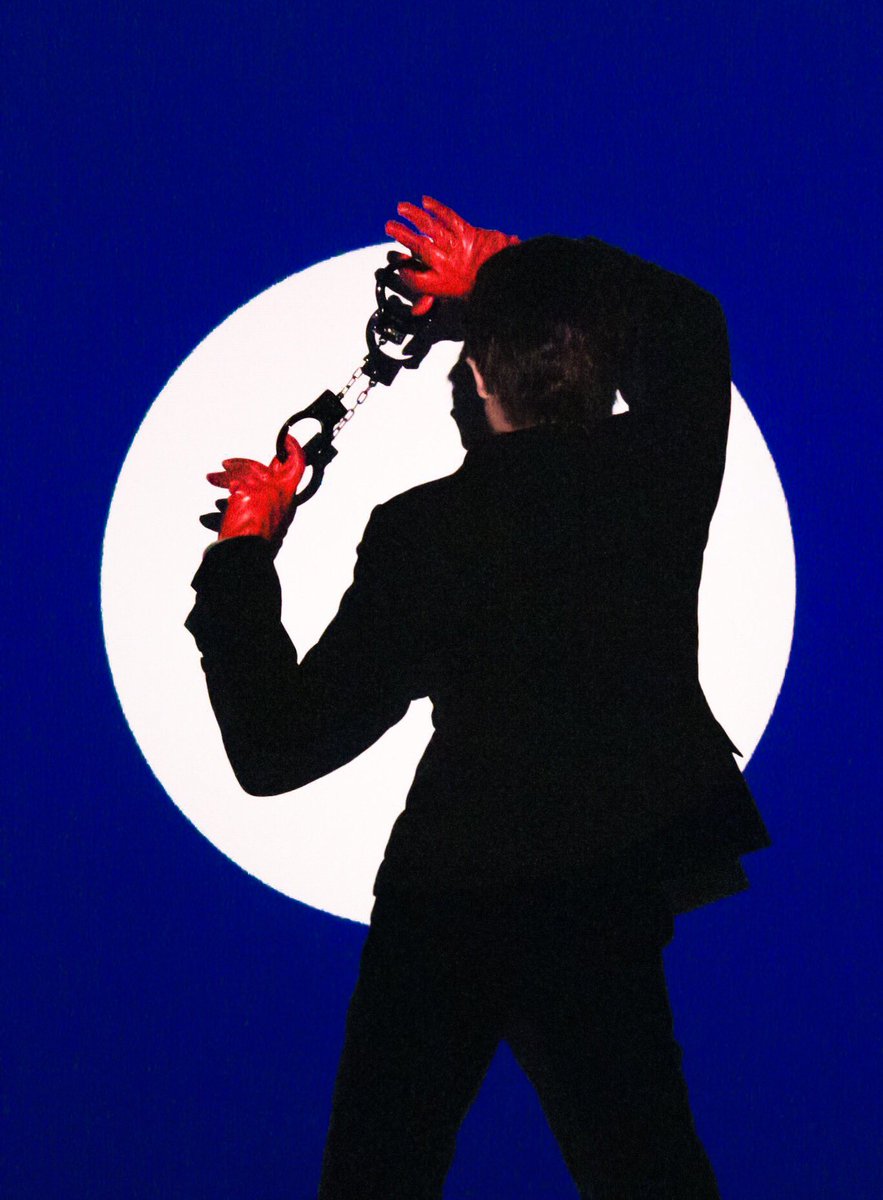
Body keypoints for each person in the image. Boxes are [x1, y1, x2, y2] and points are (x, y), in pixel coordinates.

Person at [185, 198, 770, 1199]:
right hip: (602, 889)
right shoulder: (656, 476)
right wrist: (502, 268)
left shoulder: (423, 534)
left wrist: (243, 556)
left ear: (476, 377)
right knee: (649, 1172)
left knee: (377, 1178)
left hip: (448, 897)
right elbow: (686, 321)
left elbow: (276, 746)